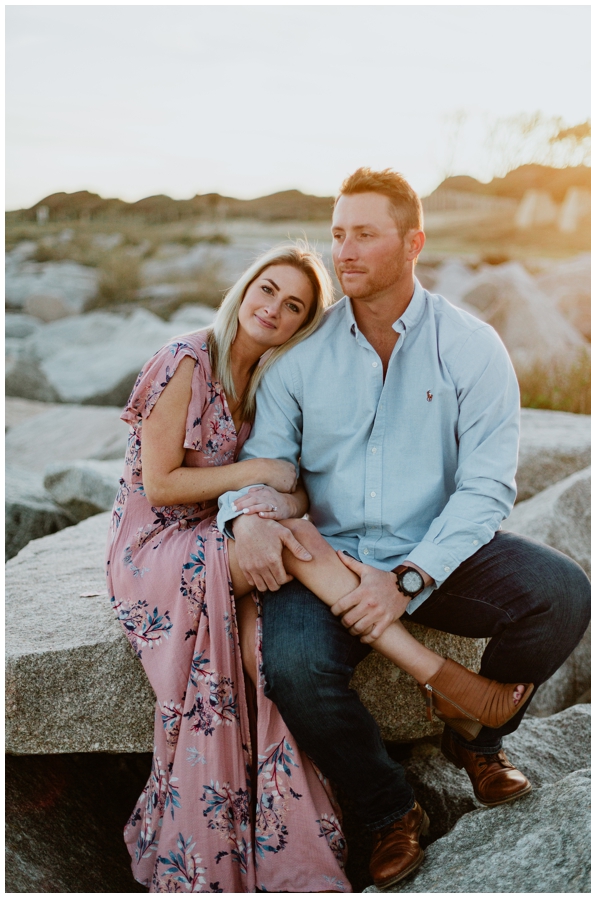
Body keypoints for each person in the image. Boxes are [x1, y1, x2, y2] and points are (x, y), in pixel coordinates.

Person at [219, 167, 591, 889]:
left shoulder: (472, 345)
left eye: (364, 234)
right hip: (326, 557)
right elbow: (261, 470)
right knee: (293, 668)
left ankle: (477, 736)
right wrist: (246, 524)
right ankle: (387, 812)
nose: (344, 251)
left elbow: (488, 488)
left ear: (413, 242)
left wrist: (410, 578)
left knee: (566, 593)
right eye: (337, 234)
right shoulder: (301, 355)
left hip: (437, 550)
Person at [106, 243, 351, 892]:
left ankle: (277, 839)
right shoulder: (185, 360)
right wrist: (256, 477)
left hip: (219, 533)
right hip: (154, 549)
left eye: (293, 305)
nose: (273, 308)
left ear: (303, 324)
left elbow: (293, 481)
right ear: (245, 288)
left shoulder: (270, 381)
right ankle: (401, 640)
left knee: (262, 658)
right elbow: (159, 485)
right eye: (267, 290)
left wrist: (271, 495)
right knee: (295, 548)